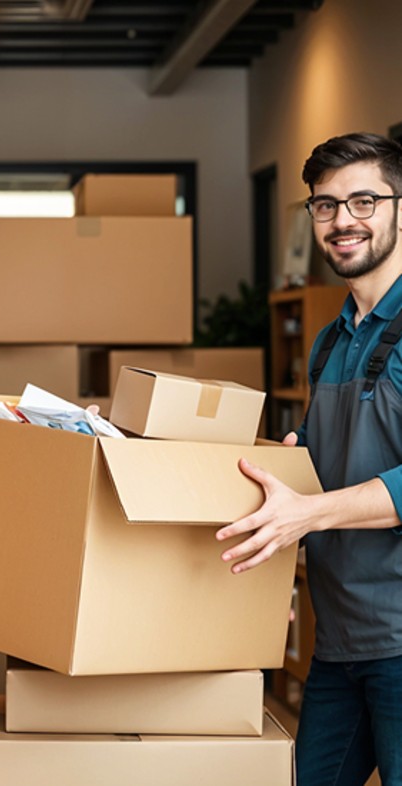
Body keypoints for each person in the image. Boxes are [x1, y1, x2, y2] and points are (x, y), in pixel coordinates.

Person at [217, 132, 402, 786]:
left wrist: (310, 513)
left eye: (363, 200)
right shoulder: (328, 342)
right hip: (340, 643)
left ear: (399, 208)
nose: (342, 220)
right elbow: (315, 481)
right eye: (325, 206)